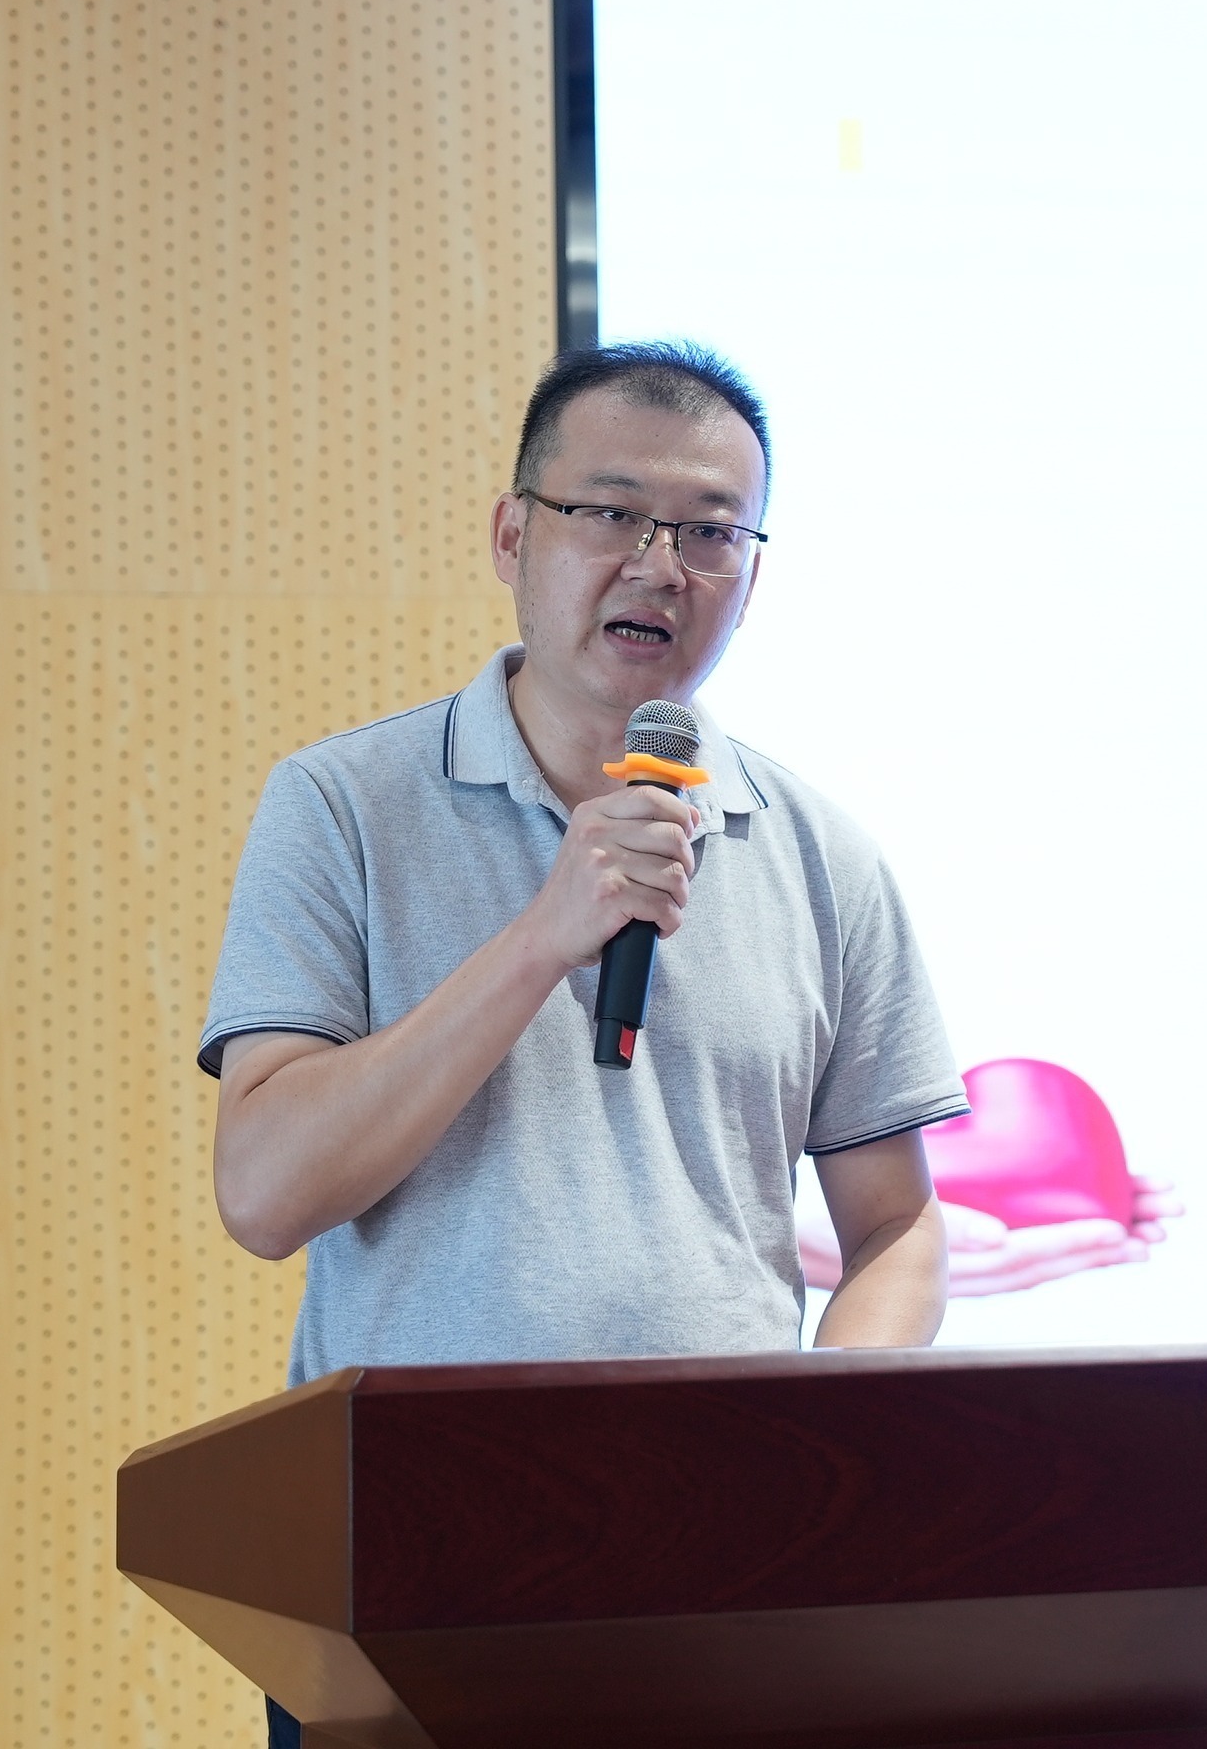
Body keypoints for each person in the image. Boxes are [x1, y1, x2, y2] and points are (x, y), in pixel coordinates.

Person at [198, 343, 968, 1746]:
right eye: (611, 513)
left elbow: (896, 1227)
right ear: (514, 536)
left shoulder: (824, 857)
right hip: (405, 1566)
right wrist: (544, 935)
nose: (660, 565)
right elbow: (265, 1191)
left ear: (751, 573)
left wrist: (827, 1449)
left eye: (710, 532)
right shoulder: (341, 807)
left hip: (721, 1572)